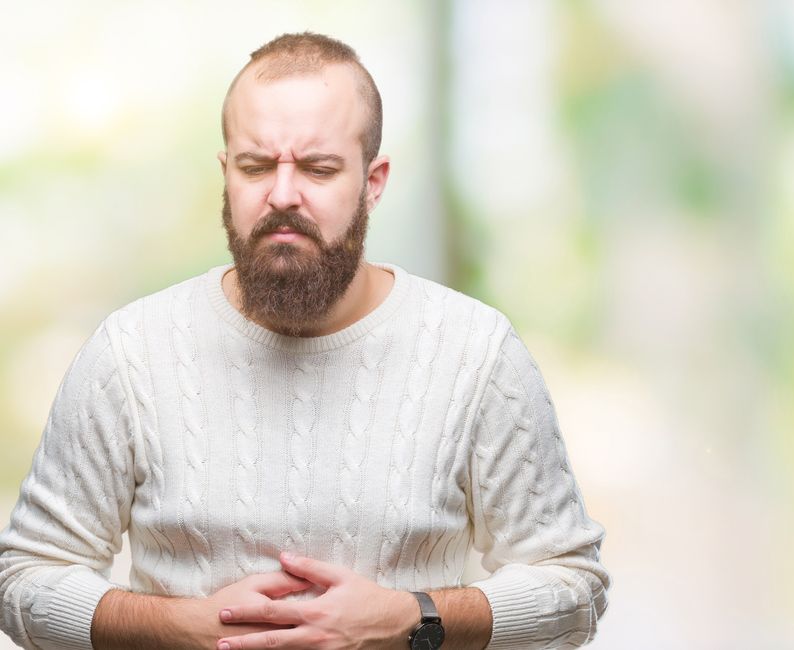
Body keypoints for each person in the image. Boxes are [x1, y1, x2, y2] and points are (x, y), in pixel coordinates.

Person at [0, 32, 609, 650]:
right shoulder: (131, 353)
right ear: (226, 173)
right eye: (256, 166)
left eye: (318, 168)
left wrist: (411, 617)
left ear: (374, 182)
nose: (283, 194)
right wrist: (184, 627)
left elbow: (574, 587)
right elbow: (24, 580)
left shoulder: (473, 352)